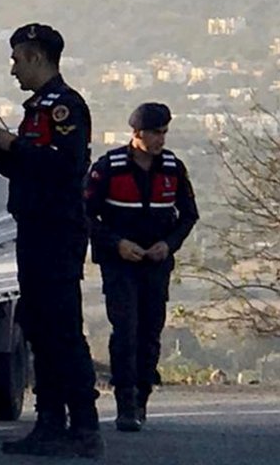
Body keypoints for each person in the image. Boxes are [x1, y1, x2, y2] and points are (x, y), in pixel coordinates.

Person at [0, 23, 102, 459]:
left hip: (57, 231)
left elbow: (62, 167)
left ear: (36, 57)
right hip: (34, 228)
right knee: (39, 326)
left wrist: (12, 143)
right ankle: (51, 420)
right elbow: (25, 169)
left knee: (62, 328)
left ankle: (83, 425)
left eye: (17, 59)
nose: (13, 69)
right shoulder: (36, 110)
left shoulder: (63, 108)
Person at [85, 103, 198, 432]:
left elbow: (188, 214)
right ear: (137, 134)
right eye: (155, 133)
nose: (161, 139)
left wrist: (169, 243)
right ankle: (125, 401)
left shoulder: (173, 169)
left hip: (155, 264)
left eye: (164, 132)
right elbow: (85, 214)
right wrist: (116, 243)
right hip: (120, 262)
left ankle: (143, 394)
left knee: (150, 331)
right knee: (125, 330)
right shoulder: (109, 168)